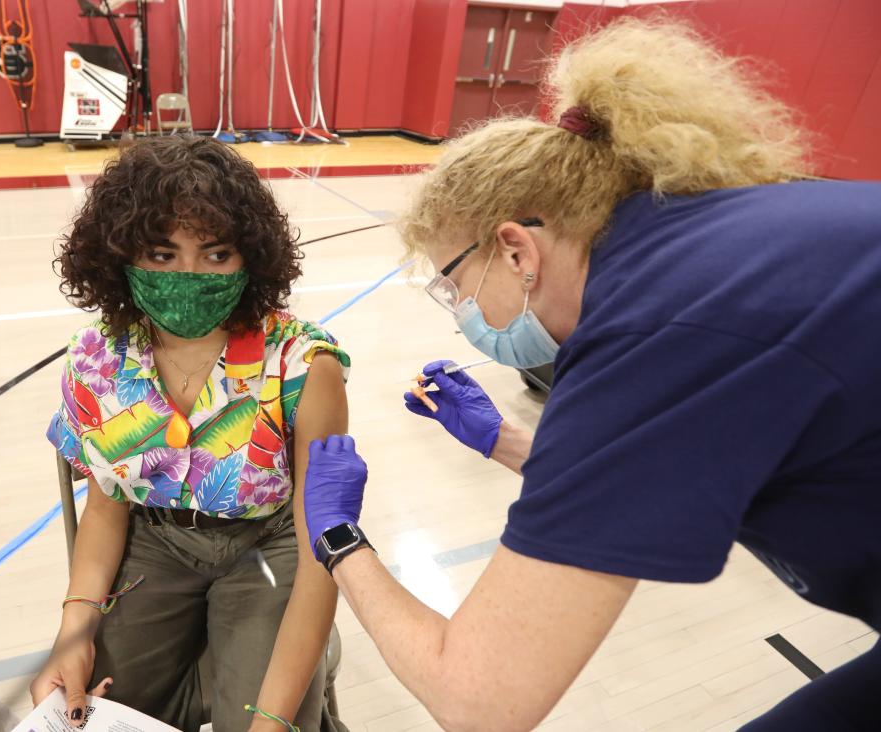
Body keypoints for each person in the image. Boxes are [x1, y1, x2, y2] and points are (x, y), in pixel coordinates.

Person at [301, 18, 881, 732]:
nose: (458, 312)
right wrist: (508, 443)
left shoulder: (654, 331)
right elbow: (656, 475)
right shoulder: (689, 250)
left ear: (516, 251)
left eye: (453, 287)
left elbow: (477, 698)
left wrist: (336, 537)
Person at [33, 135, 350, 732]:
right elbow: (106, 508)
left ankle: (295, 672)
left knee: (263, 717)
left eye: (215, 253)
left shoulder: (304, 365)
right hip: (155, 541)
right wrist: (73, 631)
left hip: (269, 544)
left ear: (249, 257)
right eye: (160, 254)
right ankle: (220, 663)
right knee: (98, 707)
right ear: (119, 255)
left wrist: (273, 717)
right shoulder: (96, 361)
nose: (187, 275)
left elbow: (319, 551)